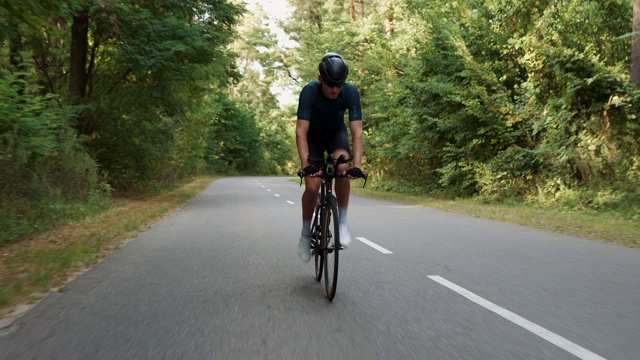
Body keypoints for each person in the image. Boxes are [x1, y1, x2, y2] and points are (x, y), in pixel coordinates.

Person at [296, 52, 364, 263]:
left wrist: (357, 165)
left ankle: (342, 222)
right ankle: (306, 235)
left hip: (336, 134)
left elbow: (357, 132)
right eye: (330, 84)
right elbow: (301, 132)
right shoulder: (309, 92)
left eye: (339, 85)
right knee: (313, 187)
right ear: (320, 79)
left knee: (343, 169)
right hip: (313, 137)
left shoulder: (350, 93)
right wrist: (306, 164)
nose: (335, 89)